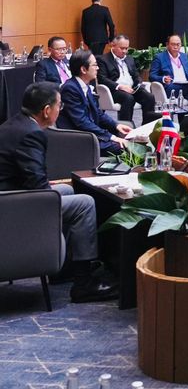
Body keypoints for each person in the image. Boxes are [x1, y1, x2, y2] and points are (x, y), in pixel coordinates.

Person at [0, 83, 119, 302]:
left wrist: (49, 185)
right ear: (47, 110)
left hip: (11, 194)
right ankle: (83, 282)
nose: (60, 110)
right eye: (59, 105)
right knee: (85, 203)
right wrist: (47, 186)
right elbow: (39, 189)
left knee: (67, 189)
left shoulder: (14, 123)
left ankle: (64, 267)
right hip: (13, 206)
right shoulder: (31, 134)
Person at [57, 50, 132, 156]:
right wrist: (112, 137)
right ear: (83, 69)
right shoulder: (70, 89)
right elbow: (81, 122)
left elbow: (98, 113)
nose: (98, 68)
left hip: (92, 133)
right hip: (80, 138)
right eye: (95, 65)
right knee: (127, 148)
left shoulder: (85, 86)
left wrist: (116, 125)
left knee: (132, 139)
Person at [96, 34, 156, 124]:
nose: (124, 51)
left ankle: (147, 126)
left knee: (149, 97)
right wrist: (120, 86)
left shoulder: (129, 59)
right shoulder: (103, 59)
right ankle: (126, 126)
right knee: (128, 98)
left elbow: (136, 75)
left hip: (131, 89)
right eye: (122, 48)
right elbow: (102, 79)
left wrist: (139, 83)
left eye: (126, 48)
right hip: (114, 90)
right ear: (113, 46)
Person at [149, 34, 188, 113]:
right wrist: (163, 78)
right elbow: (152, 76)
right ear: (167, 45)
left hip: (186, 86)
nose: (175, 47)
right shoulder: (159, 57)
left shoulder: (184, 56)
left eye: (178, 44)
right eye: (173, 44)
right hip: (170, 88)